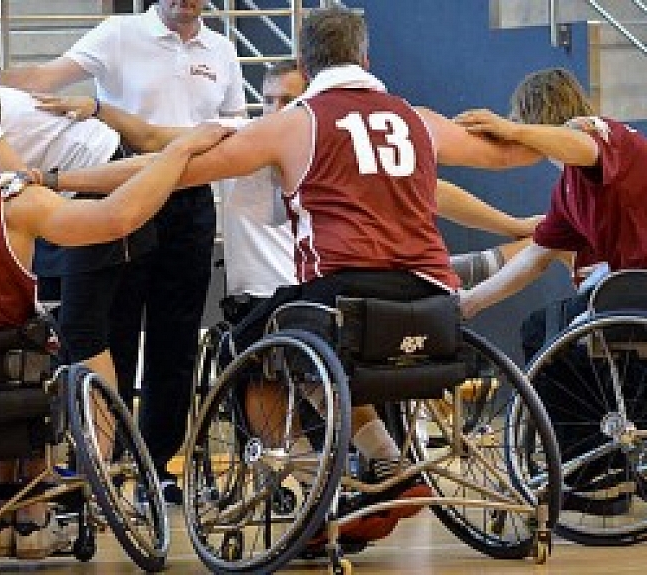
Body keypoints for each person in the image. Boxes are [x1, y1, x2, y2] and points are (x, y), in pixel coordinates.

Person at [37, 6, 541, 529]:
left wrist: (52, 181)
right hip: (433, 296)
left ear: (305, 60)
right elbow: (506, 157)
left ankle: (357, 462)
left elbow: (165, 170)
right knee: (303, 323)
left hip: (350, 297)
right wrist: (574, 133)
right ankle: (384, 461)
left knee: (252, 338)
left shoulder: (292, 126)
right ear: (366, 56)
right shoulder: (418, 119)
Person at [0, 74, 228, 558]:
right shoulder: (19, 199)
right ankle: (29, 517)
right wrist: (176, 154)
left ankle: (4, 512)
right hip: (14, 380)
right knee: (45, 349)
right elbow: (117, 218)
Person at [0, 0, 246, 503]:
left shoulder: (221, 49)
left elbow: (233, 128)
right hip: (120, 185)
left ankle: (157, 468)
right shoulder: (119, 33)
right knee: (113, 328)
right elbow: (48, 75)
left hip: (191, 196)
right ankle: (106, 460)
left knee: (175, 337)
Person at [0, 85, 183, 418]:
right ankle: (77, 444)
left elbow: (15, 183)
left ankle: (102, 456)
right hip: (60, 190)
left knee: (83, 330)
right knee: (55, 331)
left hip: (103, 177)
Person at [456, 67, 646, 324]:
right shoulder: (569, 190)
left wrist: (512, 130)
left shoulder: (598, 130)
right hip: (629, 286)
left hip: (635, 287)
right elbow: (535, 257)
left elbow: (583, 144)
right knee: (543, 327)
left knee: (544, 329)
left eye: (516, 119)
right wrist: (470, 302)